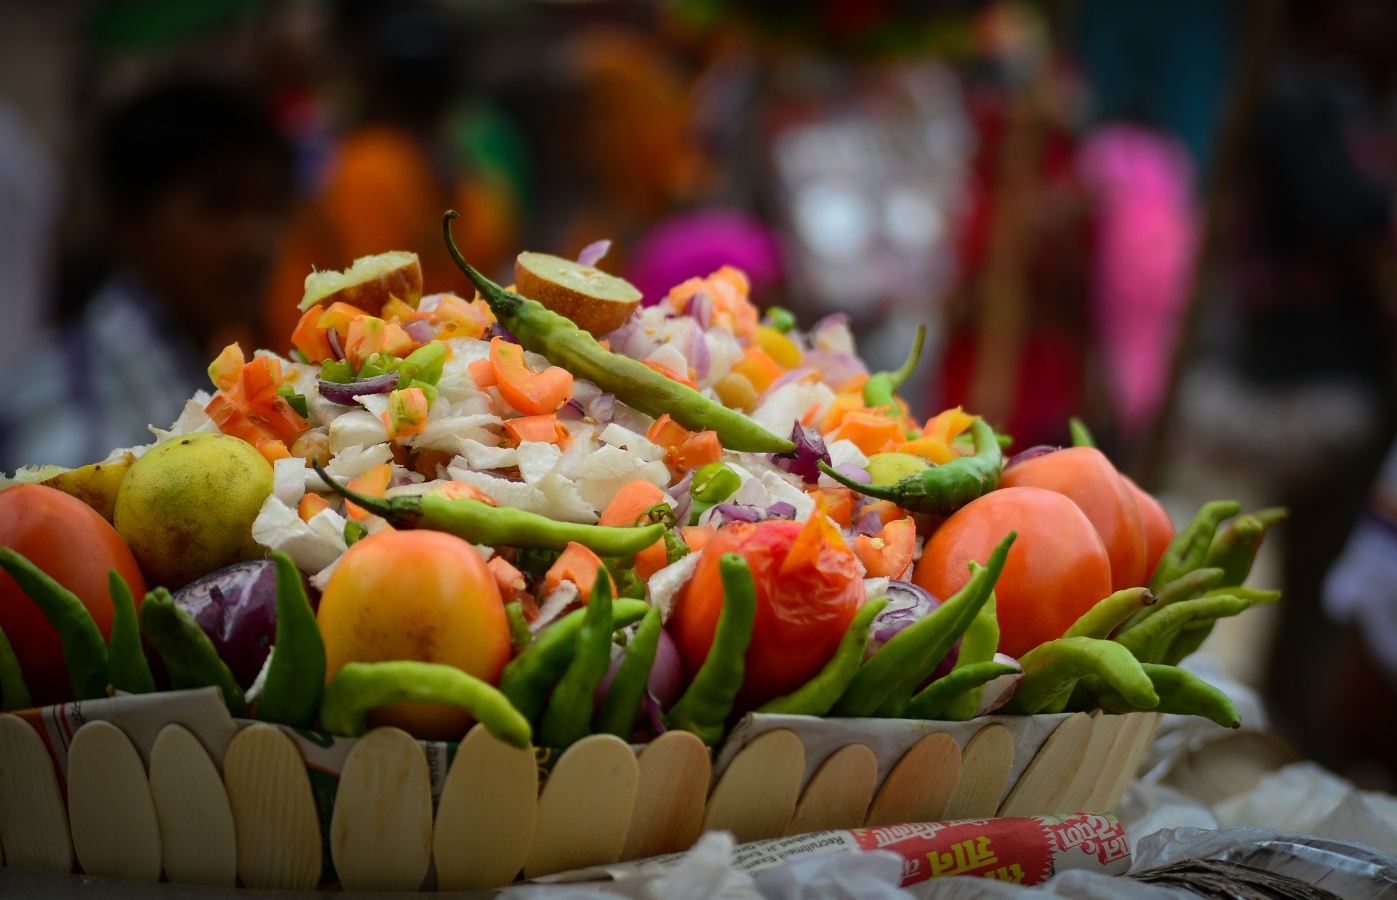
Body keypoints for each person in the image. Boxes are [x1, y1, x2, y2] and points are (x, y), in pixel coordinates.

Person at [0, 80, 293, 471]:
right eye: (220, 204)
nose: (255, 241)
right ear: (125, 222)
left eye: (269, 205)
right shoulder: (79, 413)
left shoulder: (198, 359)